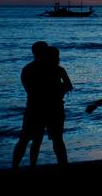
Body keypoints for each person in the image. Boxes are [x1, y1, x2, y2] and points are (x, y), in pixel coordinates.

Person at [12, 41, 71, 169]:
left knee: (28, 139)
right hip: (51, 109)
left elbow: (30, 90)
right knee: (54, 140)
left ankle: (17, 166)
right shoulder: (55, 69)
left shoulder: (28, 69)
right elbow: (68, 86)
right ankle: (62, 165)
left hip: (36, 109)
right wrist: (58, 92)